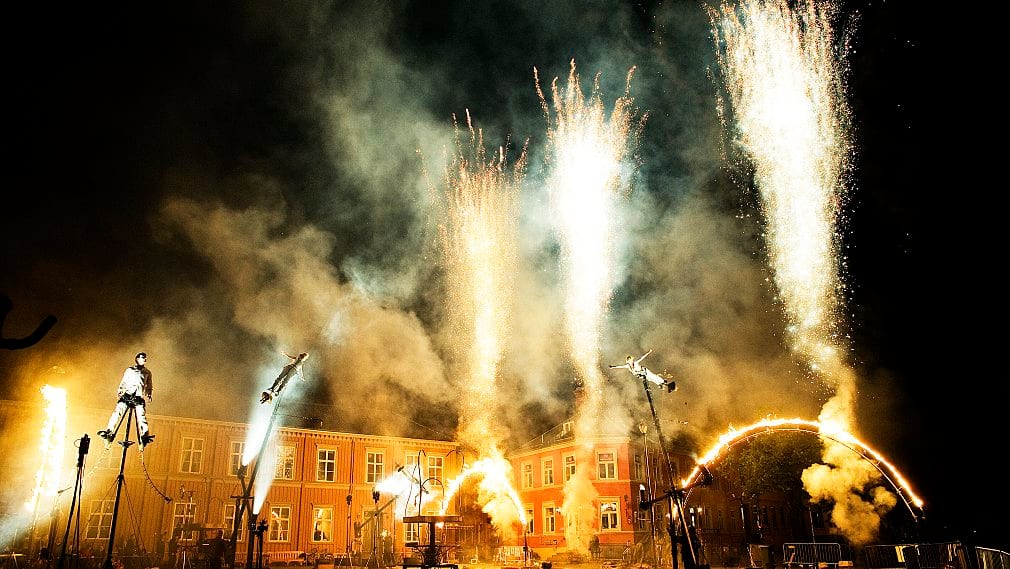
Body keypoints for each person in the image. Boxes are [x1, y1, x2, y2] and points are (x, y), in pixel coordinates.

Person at [98, 352, 155, 448]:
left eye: (145, 358)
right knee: (117, 412)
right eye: (142, 357)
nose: (145, 359)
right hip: (127, 395)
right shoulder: (130, 370)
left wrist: (149, 393)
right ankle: (109, 432)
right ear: (137, 359)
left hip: (138, 397)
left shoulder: (147, 372)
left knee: (141, 416)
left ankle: (144, 435)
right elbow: (124, 381)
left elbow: (149, 385)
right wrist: (120, 390)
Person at [609, 349, 676, 393]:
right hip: (642, 375)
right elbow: (620, 366)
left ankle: (663, 381)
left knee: (653, 376)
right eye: (629, 361)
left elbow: (642, 357)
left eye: (630, 360)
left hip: (645, 372)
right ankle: (663, 385)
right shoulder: (628, 366)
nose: (630, 361)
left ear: (632, 360)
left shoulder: (635, 362)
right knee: (652, 380)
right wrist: (613, 367)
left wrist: (648, 352)